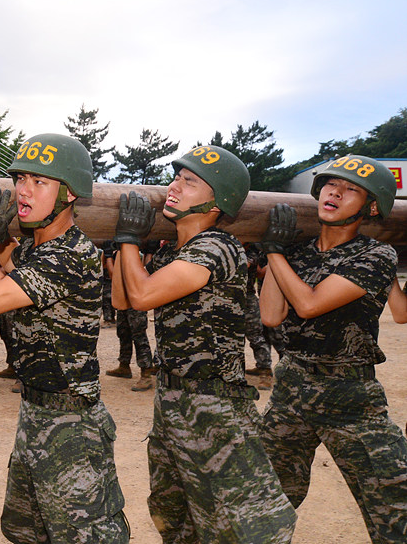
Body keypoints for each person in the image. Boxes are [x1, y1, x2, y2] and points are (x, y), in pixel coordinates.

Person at [112, 144, 296, 542]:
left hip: (217, 410)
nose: (174, 186)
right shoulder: (173, 252)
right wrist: (127, 243)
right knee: (174, 516)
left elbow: (142, 296)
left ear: (217, 201)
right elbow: (121, 300)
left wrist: (128, 239)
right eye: (176, 177)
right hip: (172, 400)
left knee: (242, 526)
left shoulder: (218, 246)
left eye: (189, 181)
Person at [0, 133, 129, 543]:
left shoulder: (69, 254)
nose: (23, 190)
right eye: (20, 178)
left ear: (70, 195)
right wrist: (0, 238)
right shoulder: (34, 249)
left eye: (39, 182)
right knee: (25, 530)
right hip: (36, 412)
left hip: (72, 425)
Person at [258, 154, 407, 542]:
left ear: (371, 206)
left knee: (395, 507)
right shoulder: (299, 252)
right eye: (331, 185)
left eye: (351, 189)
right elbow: (272, 315)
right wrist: (281, 250)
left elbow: (309, 304)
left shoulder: (375, 255)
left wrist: (274, 252)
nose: (336, 193)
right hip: (291, 389)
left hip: (349, 396)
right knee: (262, 503)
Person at [104, 245, 157, 392]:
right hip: (124, 295)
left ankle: (146, 373)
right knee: (123, 332)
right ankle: (124, 366)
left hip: (135, 296)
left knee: (139, 335)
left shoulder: (136, 250)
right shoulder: (120, 251)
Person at [243, 242, 274, 389]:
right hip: (228, 297)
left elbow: (246, 266)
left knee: (256, 337)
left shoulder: (253, 249)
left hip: (247, 298)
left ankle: (265, 373)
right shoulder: (227, 244)